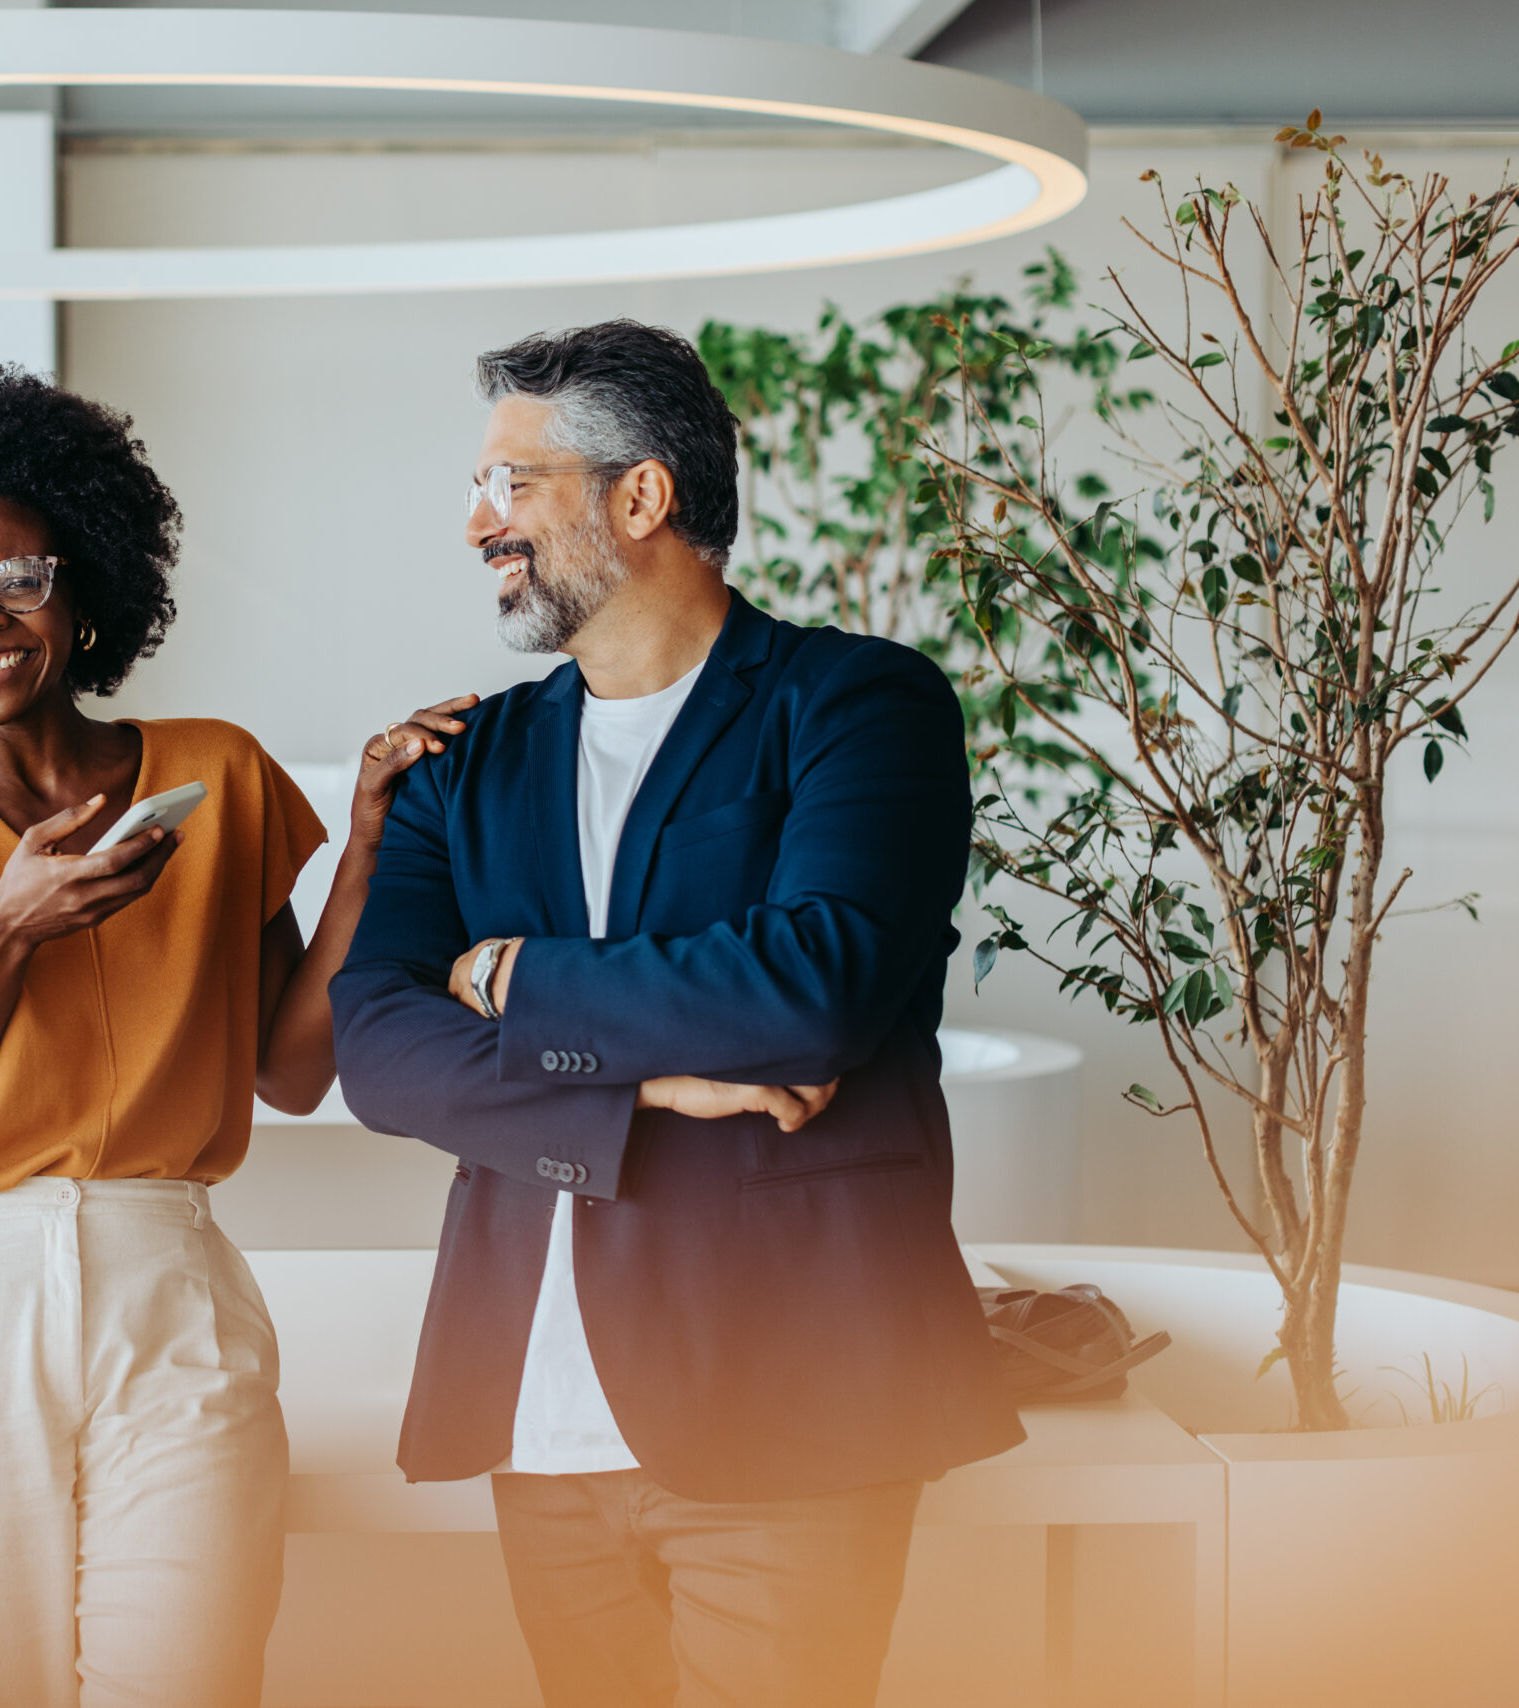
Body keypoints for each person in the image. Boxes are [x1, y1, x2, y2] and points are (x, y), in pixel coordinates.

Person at [330, 320, 1025, 1708]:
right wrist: (641, 1087)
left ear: (639, 498)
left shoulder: (856, 706)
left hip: (791, 1403)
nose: (480, 525)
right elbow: (377, 1046)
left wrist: (514, 977)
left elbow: (811, 987)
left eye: (511, 485)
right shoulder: (467, 763)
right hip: (541, 1422)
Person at [0, 364, 465, 1708]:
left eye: (17, 576)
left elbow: (294, 1069)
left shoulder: (220, 776)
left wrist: (370, 835)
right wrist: (3, 933)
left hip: (172, 1293)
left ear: (82, 589)